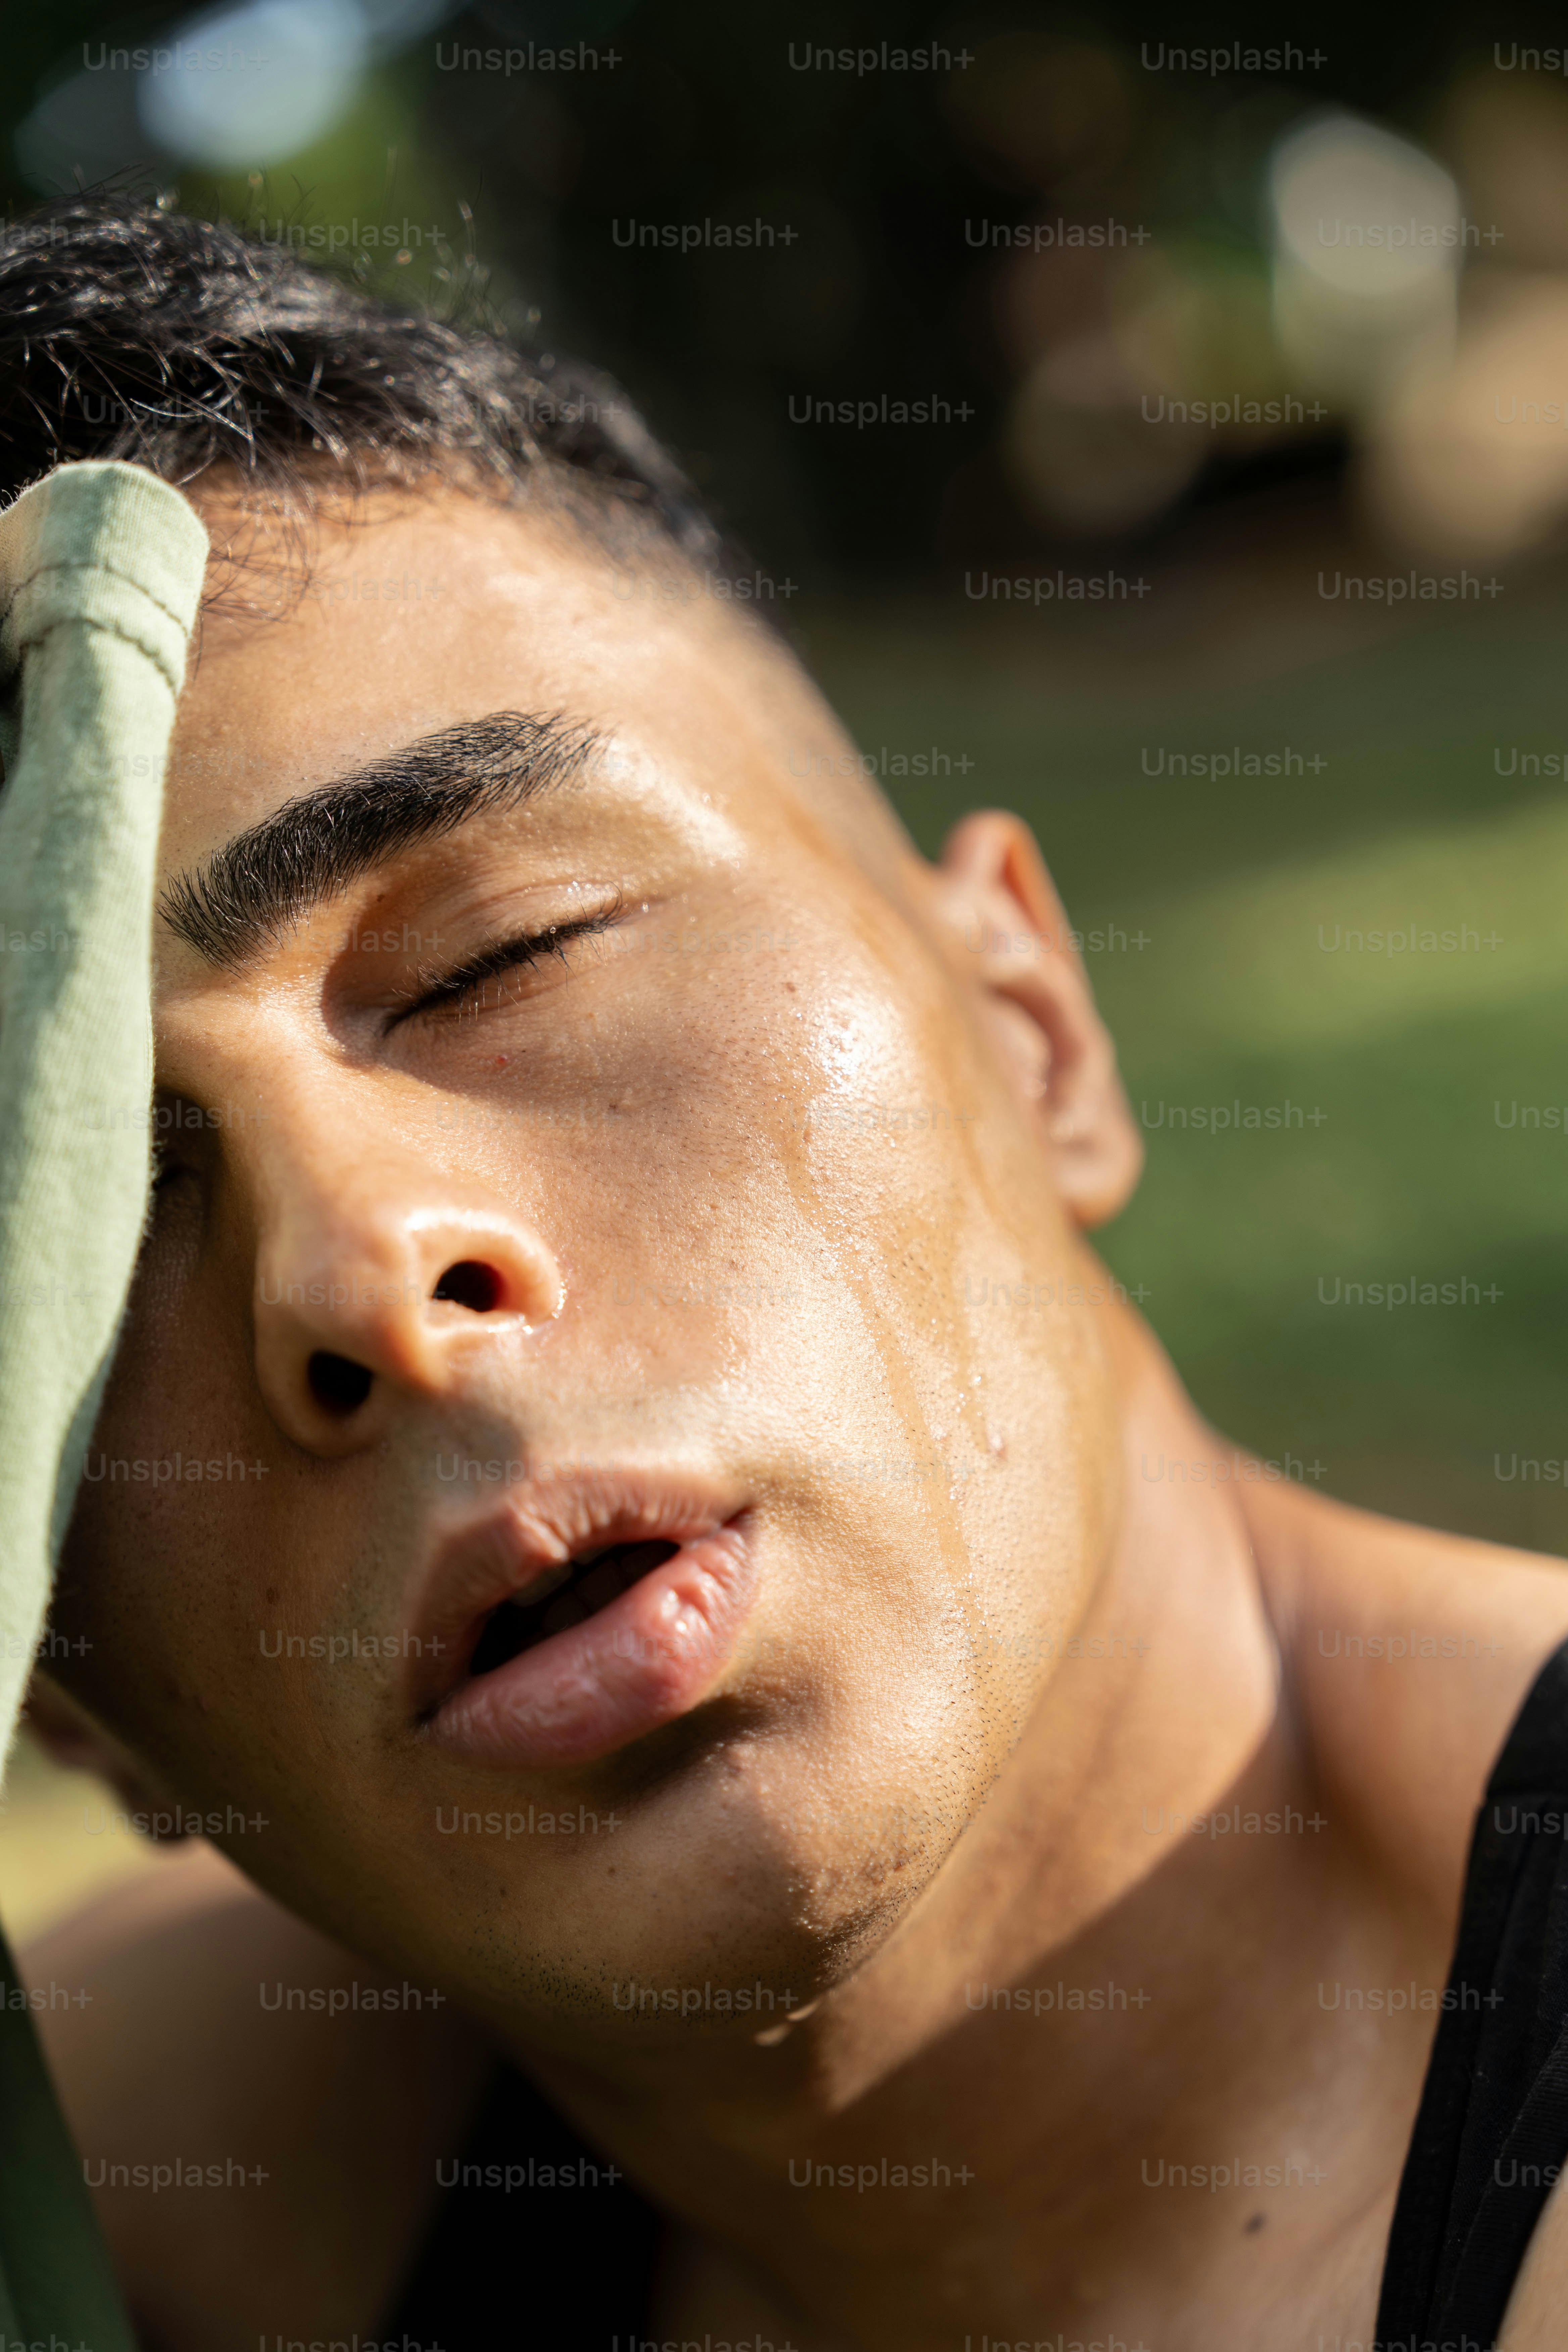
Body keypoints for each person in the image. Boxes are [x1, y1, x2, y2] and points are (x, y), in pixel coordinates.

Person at [8, 194, 1568, 2352]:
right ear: (61, 1680)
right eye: (90, 1206)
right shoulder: (161, 2179)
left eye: (494, 960)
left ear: (1030, 1022)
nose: (360, 1270)